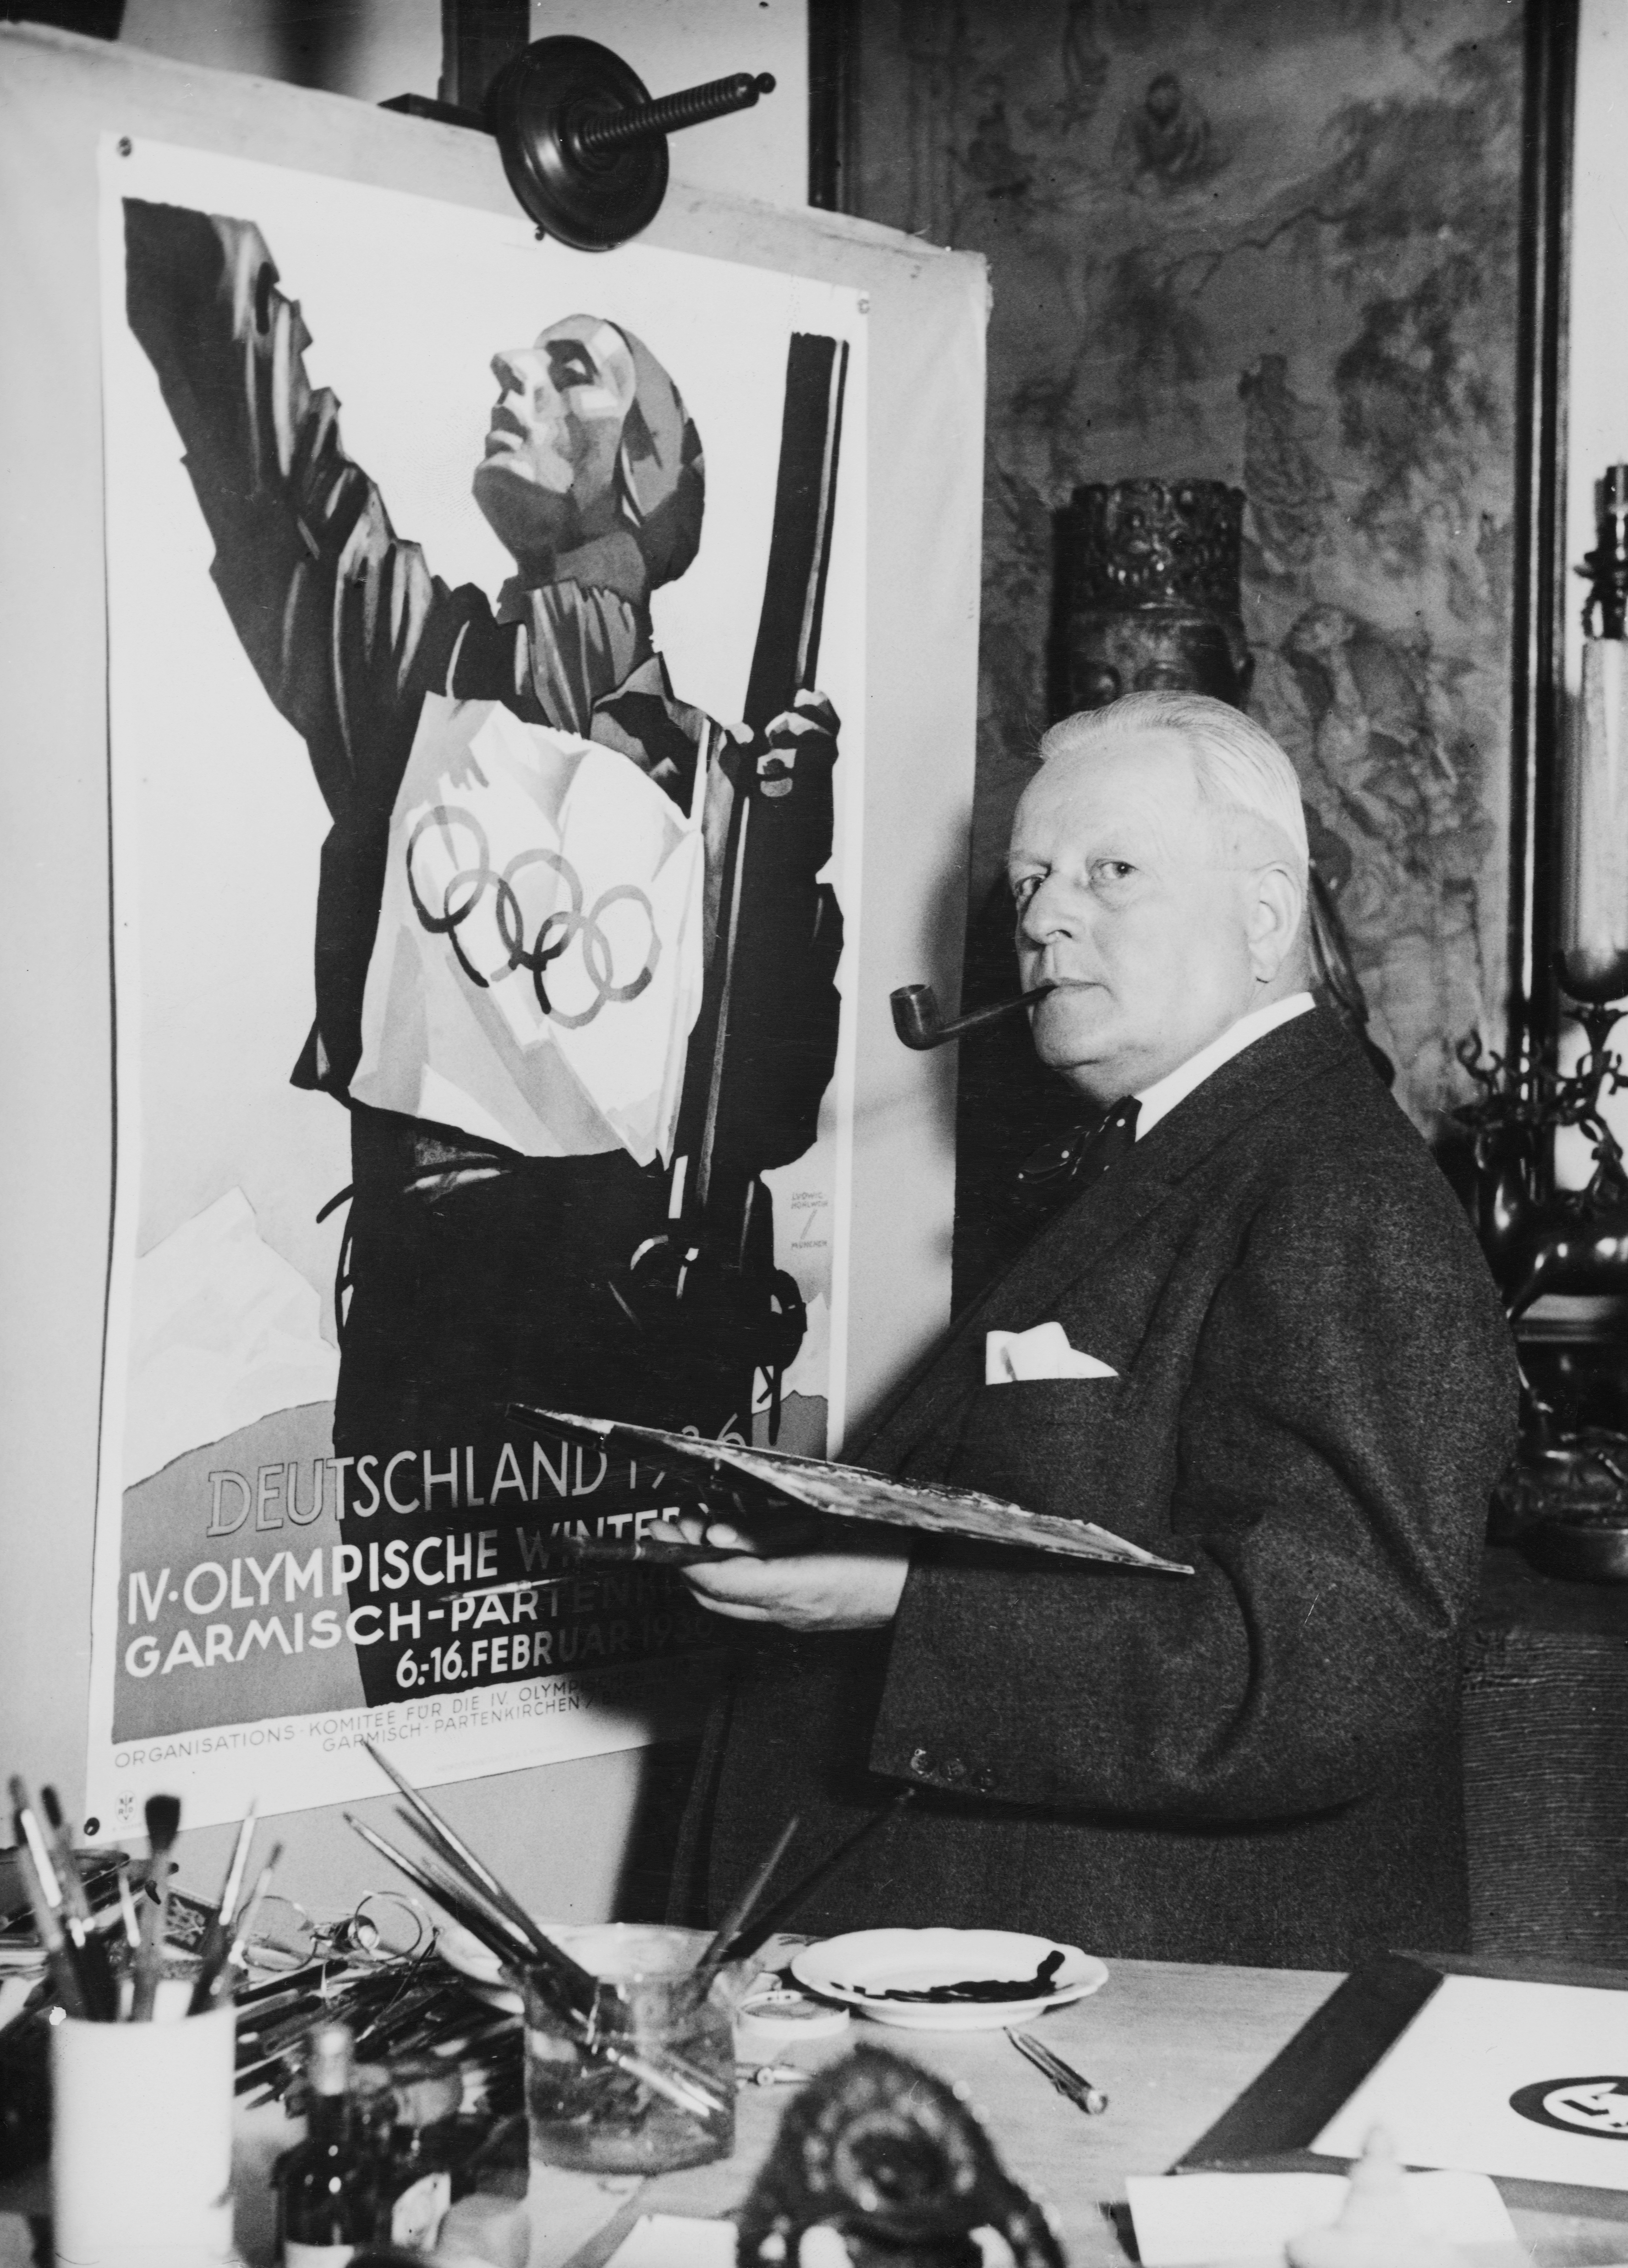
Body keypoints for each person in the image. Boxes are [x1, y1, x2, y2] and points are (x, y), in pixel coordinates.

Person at [666, 691, 1518, 1970]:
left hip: (1162, 1998)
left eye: (1112, 872)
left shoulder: (1336, 1190)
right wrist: (836, 1541)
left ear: (1267, 916)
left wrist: (898, 1602)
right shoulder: (1187, 1155)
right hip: (1053, 1970)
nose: (1044, 919)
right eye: (1031, 883)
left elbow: (1328, 1671)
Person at [122, 200, 844, 1706]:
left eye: (575, 370)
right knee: (440, 1741)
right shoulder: (415, 671)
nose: (514, 375)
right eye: (522, 358)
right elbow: (277, 468)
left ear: (649, 468)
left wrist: (786, 876)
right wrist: (185, 216)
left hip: (645, 1349)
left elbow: (767, 1110)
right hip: (435, 1341)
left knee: (662, 1744)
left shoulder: (734, 781)